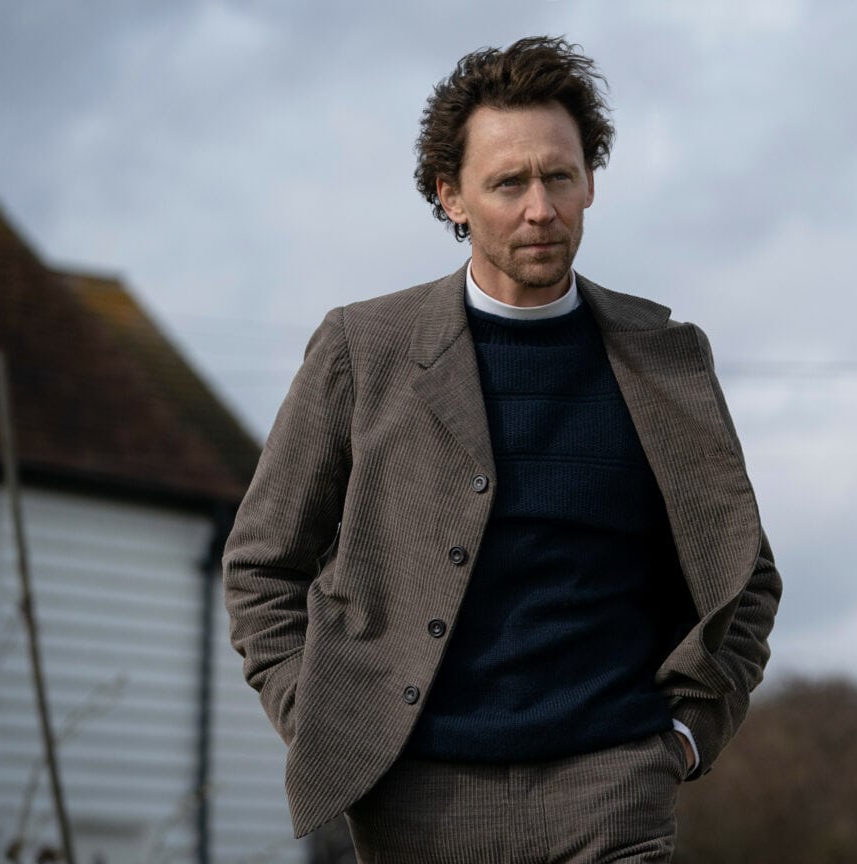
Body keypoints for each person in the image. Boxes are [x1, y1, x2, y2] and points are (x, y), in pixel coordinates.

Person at [222, 36, 781, 862]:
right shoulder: (362, 352)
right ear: (451, 196)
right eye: (509, 182)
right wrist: (327, 723)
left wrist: (689, 733)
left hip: (615, 791)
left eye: (560, 176)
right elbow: (261, 565)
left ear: (591, 182)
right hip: (417, 803)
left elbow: (746, 576)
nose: (541, 208)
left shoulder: (668, 359)